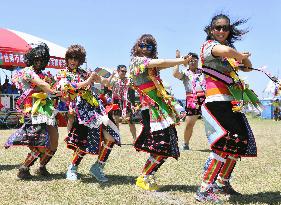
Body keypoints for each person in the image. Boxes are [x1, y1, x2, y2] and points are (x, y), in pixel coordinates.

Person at [195, 14, 257, 203]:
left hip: (231, 102)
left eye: (225, 28)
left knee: (238, 142)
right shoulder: (209, 47)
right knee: (224, 143)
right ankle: (205, 189)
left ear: (229, 30)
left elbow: (247, 67)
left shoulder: (230, 54)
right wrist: (239, 55)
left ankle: (223, 182)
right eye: (217, 27)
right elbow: (226, 50)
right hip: (216, 101)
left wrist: (243, 58)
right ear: (211, 30)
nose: (221, 31)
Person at [129, 34, 189, 191]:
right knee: (161, 143)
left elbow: (162, 65)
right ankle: (144, 176)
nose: (145, 49)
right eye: (142, 45)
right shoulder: (137, 61)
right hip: (150, 109)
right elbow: (161, 62)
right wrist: (181, 61)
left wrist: (178, 61)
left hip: (159, 108)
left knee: (168, 143)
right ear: (137, 47)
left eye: (149, 47)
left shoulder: (151, 67)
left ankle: (148, 175)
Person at [57, 45, 120, 182]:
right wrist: (87, 81)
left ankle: (98, 167)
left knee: (111, 137)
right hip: (81, 111)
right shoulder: (63, 73)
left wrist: (104, 79)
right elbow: (65, 88)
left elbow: (103, 84)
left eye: (76, 58)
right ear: (67, 59)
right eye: (71, 57)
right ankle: (72, 167)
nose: (73, 60)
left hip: (97, 108)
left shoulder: (85, 72)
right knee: (82, 142)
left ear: (80, 60)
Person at [5, 43, 59, 179]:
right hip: (32, 111)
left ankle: (42, 167)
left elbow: (55, 87)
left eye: (42, 59)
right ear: (31, 59)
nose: (39, 62)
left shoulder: (46, 74)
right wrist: (52, 91)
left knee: (54, 142)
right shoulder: (26, 71)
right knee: (39, 143)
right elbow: (42, 84)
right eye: (36, 59)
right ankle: (24, 168)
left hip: (47, 110)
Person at [173, 51, 205, 150]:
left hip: (206, 99)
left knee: (211, 123)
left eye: (195, 60)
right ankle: (186, 144)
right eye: (190, 60)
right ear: (187, 61)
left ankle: (216, 145)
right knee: (189, 124)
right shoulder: (185, 73)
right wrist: (178, 60)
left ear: (198, 61)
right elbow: (175, 74)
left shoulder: (203, 71)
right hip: (192, 100)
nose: (192, 62)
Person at [107, 65, 137, 140]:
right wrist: (112, 75)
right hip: (116, 101)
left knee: (130, 121)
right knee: (116, 120)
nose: (124, 73)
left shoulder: (129, 80)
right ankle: (117, 139)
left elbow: (134, 88)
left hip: (126, 102)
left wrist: (132, 85)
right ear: (118, 71)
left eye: (125, 71)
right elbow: (107, 84)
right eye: (122, 71)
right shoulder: (114, 80)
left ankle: (135, 139)